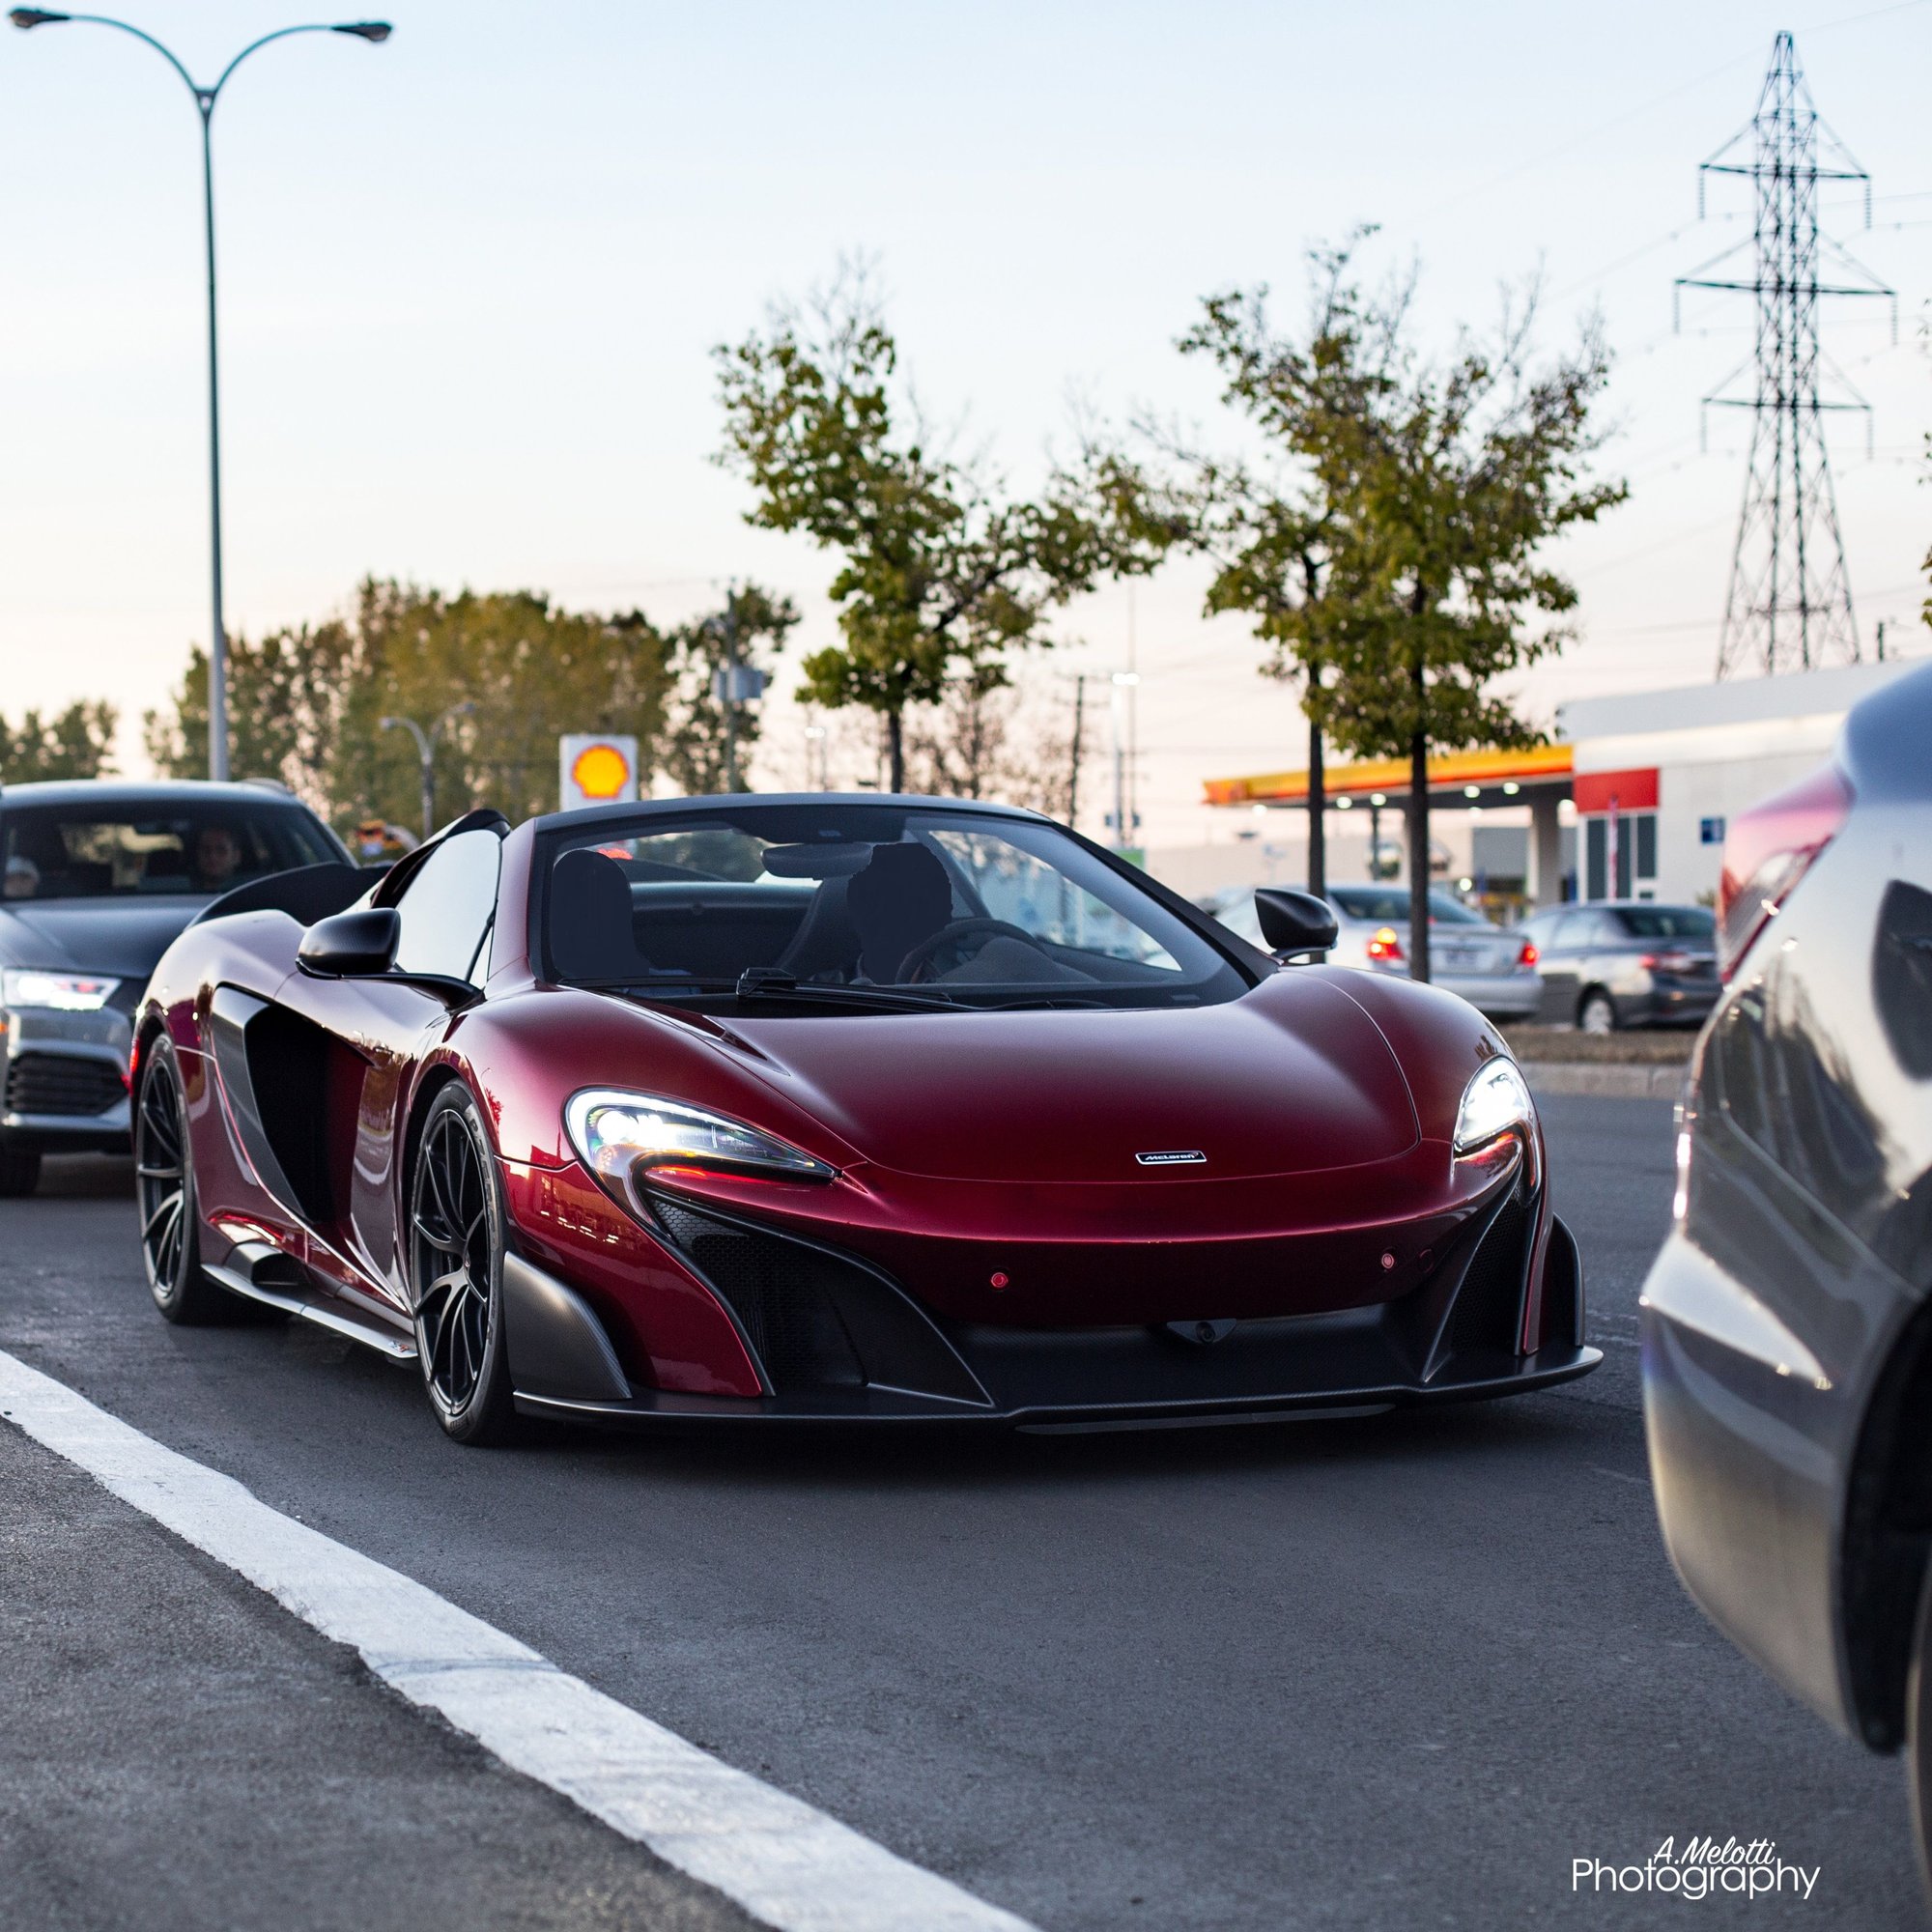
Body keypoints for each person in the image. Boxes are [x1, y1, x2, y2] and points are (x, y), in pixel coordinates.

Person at [191, 823, 244, 894]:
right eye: (205, 849)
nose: (212, 856)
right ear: (198, 854)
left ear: (236, 856)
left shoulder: (249, 891)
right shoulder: (179, 890)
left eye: (221, 850)